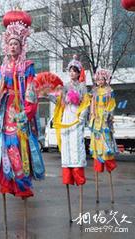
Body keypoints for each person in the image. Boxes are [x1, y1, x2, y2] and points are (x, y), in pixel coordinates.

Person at [0, 21, 45, 233]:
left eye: (16, 44)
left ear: (22, 46)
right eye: (10, 43)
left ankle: (21, 185)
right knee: (3, 147)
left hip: (18, 111)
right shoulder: (2, 68)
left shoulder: (28, 67)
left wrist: (26, 112)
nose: (13, 47)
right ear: (6, 47)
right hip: (4, 113)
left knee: (19, 150)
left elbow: (32, 91)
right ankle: (6, 183)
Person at [51, 55, 91, 222]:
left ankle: (78, 175)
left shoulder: (82, 87)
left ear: (79, 72)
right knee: (67, 146)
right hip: (67, 115)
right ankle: (67, 174)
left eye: (75, 70)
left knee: (76, 145)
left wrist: (82, 116)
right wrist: (49, 95)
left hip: (76, 115)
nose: (72, 73)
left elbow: (86, 103)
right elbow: (59, 102)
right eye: (70, 70)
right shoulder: (65, 86)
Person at [89, 68, 117, 204]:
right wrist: (92, 117)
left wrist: (108, 115)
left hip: (105, 121)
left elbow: (112, 106)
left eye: (102, 79)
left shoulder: (109, 91)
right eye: (98, 79)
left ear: (106, 79)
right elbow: (92, 106)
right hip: (96, 123)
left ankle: (109, 166)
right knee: (96, 148)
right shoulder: (94, 92)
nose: (100, 81)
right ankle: (96, 193)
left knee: (106, 148)